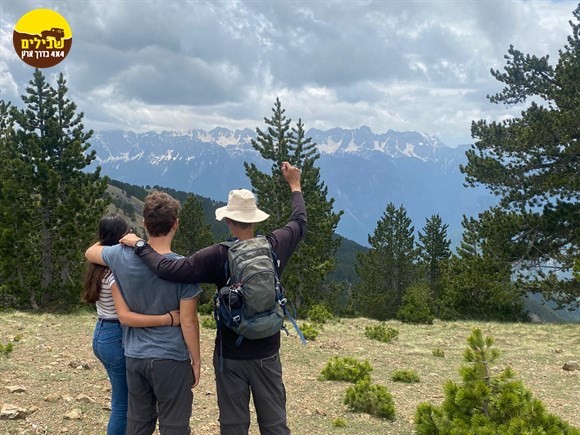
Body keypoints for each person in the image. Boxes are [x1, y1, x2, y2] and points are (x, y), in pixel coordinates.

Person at [120, 162, 306, 435]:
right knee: (275, 424)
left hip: (230, 354)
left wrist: (139, 245)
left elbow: (167, 268)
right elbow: (299, 220)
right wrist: (294, 184)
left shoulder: (217, 255)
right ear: (255, 219)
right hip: (267, 351)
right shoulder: (275, 244)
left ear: (227, 220)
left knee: (233, 426)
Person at [85, 192, 202, 435]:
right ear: (176, 224)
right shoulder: (185, 267)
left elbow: (90, 252)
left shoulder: (119, 256)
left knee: (138, 424)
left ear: (145, 224)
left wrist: (128, 241)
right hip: (171, 357)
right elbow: (188, 322)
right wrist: (196, 361)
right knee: (175, 426)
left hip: (135, 356)